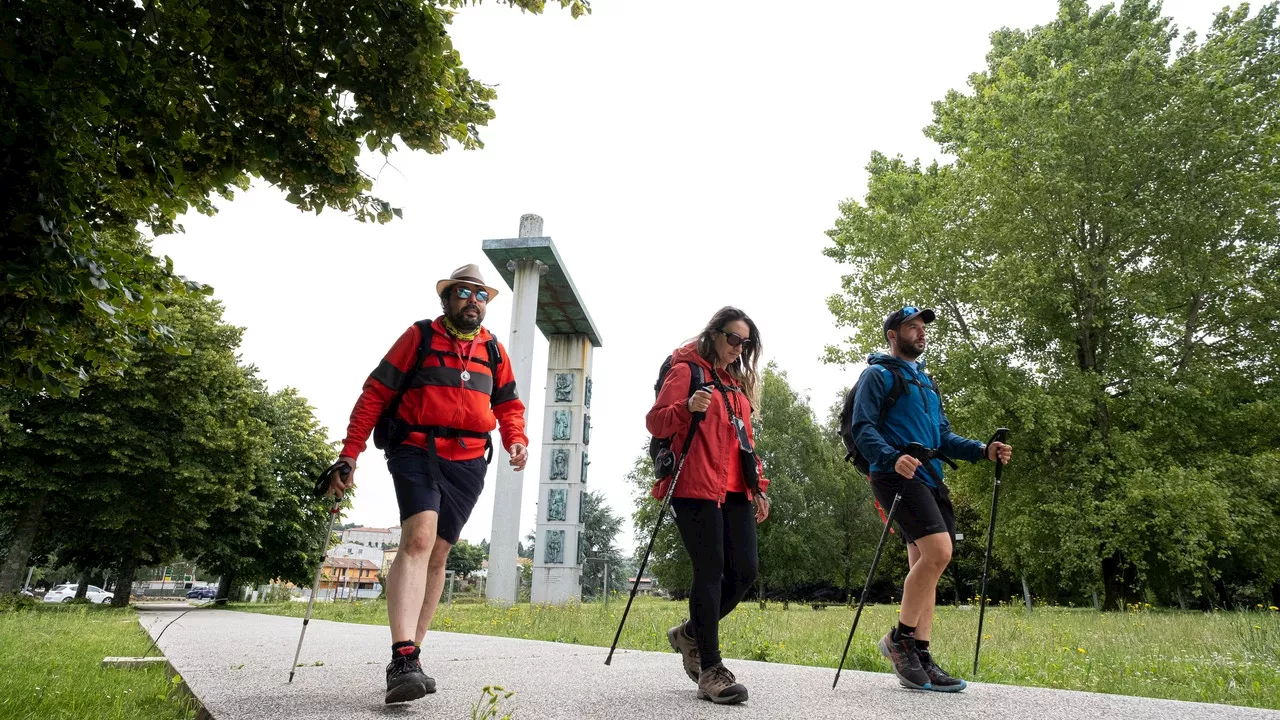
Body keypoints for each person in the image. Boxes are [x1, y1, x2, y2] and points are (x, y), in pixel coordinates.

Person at [327, 264, 529, 704]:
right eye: (463, 292)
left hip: (471, 458)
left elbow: (509, 403)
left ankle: (413, 657)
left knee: (438, 553)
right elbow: (375, 394)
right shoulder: (418, 338)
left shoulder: (493, 350)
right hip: (416, 450)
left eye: (481, 295)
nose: (473, 300)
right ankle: (401, 658)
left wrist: (516, 439)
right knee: (417, 540)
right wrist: (350, 452)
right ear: (446, 299)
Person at [850, 305, 1012, 693]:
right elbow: (862, 429)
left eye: (923, 328)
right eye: (912, 327)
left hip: (929, 477)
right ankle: (899, 641)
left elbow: (942, 437)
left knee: (928, 566)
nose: (921, 333)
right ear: (893, 335)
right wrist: (892, 457)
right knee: (940, 552)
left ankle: (922, 653)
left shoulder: (926, 382)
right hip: (894, 476)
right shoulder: (877, 375)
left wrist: (982, 450)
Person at [645, 306, 771, 705]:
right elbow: (655, 422)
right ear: (714, 334)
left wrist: (759, 487)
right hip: (693, 484)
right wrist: (685, 409)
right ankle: (710, 669)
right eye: (733, 338)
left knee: (746, 570)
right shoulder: (687, 370)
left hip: (736, 489)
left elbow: (745, 442)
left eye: (745, 342)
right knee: (711, 569)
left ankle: (689, 635)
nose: (738, 347)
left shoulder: (735, 384)